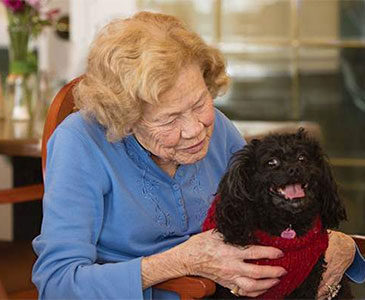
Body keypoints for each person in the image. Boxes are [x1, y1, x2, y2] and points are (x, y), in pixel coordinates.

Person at [32, 11, 364, 300]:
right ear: (126, 118)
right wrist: (179, 261)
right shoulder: (81, 141)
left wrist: (341, 246)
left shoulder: (217, 126)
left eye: (199, 103)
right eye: (170, 119)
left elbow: (279, 211)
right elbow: (58, 285)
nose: (195, 130)